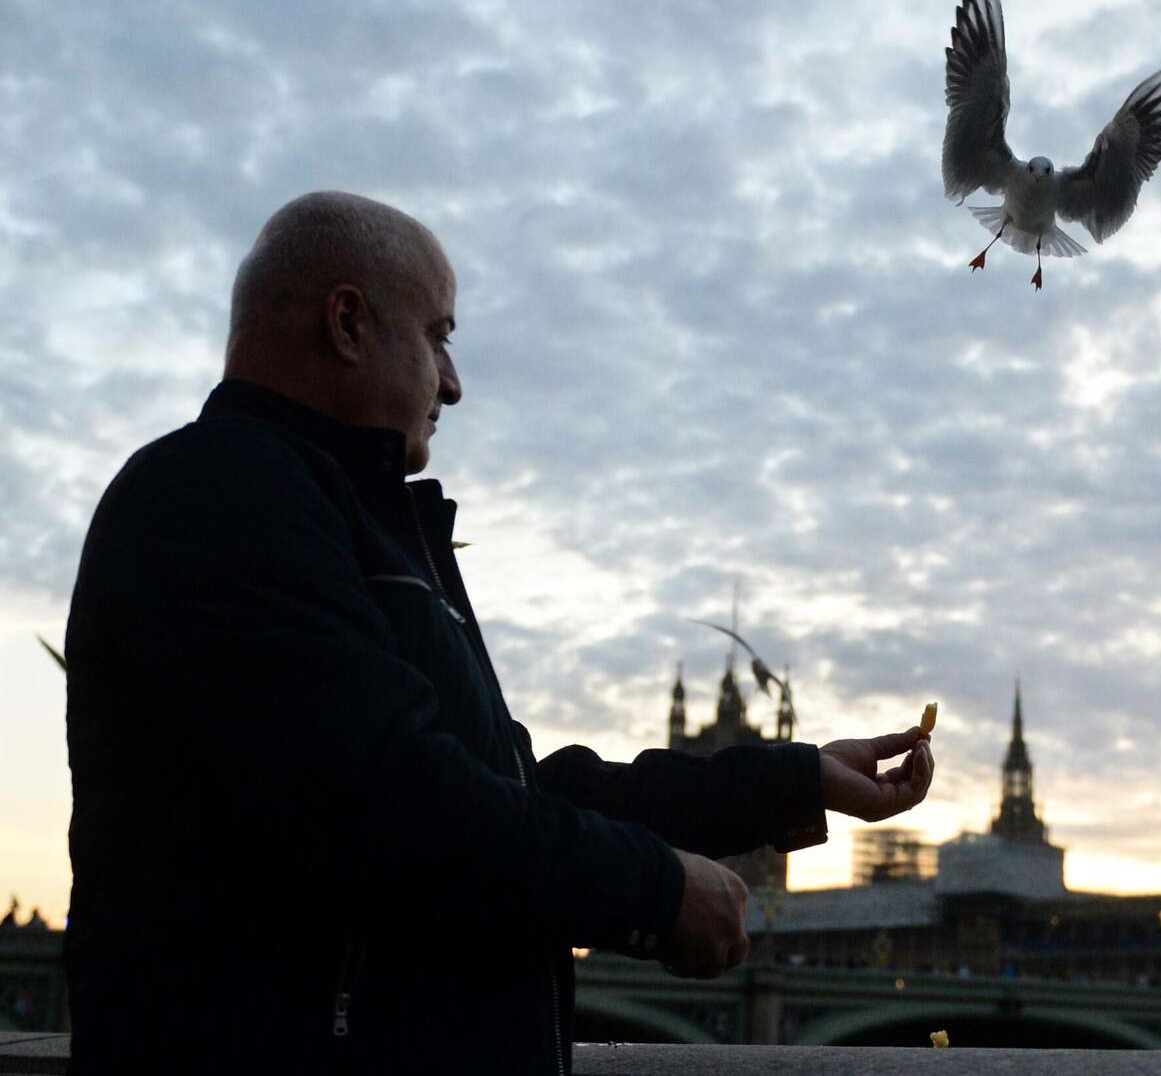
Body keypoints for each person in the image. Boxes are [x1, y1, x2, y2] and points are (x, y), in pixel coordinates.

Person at [62, 191, 935, 1073]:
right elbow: (405, 807)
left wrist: (794, 780)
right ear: (348, 323)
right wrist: (659, 890)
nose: (453, 382)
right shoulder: (214, 498)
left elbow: (516, 792)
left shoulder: (367, 534)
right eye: (439, 336)